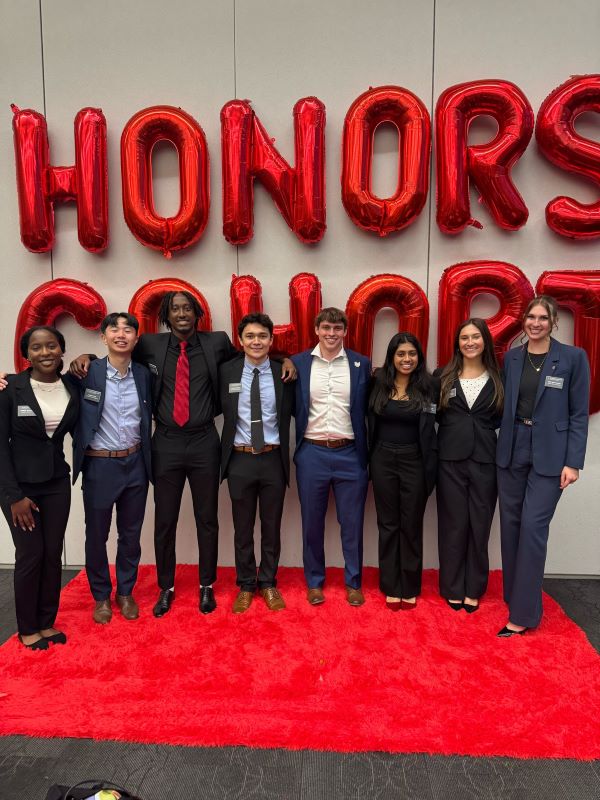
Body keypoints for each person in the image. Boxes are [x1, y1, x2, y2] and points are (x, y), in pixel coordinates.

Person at [70, 291, 296, 617]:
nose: (181, 313)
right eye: (175, 309)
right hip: (166, 442)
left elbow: (251, 355)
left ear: (197, 313)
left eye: (187, 308)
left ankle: (206, 585)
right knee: (165, 520)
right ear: (166, 314)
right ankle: (166, 587)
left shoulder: (217, 342)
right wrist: (88, 357)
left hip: (205, 441)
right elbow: (119, 353)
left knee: (207, 519)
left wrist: (283, 359)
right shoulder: (149, 344)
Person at [496, 295, 590, 637]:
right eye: (531, 317)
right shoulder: (513, 357)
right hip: (512, 448)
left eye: (542, 318)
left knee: (533, 529)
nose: (535, 323)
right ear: (524, 321)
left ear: (553, 322)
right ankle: (515, 597)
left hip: (551, 454)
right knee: (510, 527)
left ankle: (522, 615)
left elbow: (579, 414)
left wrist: (574, 462)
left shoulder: (573, 358)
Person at [69, 313, 153, 624]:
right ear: (103, 338)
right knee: (97, 535)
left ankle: (126, 591)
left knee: (130, 534)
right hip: (99, 465)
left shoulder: (144, 375)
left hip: (135, 465)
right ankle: (101, 596)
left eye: (128, 329)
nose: (121, 334)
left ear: (135, 338)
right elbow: (44, 381)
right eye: (113, 329)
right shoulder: (86, 373)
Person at [0, 327, 79, 649]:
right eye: (36, 348)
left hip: (57, 482)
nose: (44, 352)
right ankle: (27, 627)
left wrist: (87, 358)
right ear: (26, 354)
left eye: (51, 346)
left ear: (61, 349)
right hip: (20, 488)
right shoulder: (10, 388)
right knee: (30, 555)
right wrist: (14, 495)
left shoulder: (72, 385)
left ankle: (46, 622)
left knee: (51, 554)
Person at [291, 307, 371, 607]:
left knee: (352, 523)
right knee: (311, 522)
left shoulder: (360, 364)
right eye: (326, 327)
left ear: (345, 332)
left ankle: (353, 582)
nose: (331, 334)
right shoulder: (299, 363)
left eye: (337, 329)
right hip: (311, 452)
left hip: (350, 453)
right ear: (316, 329)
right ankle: (314, 582)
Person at [219, 313, 294, 613]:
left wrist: (287, 359)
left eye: (262, 336)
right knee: (242, 527)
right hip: (240, 458)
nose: (256, 341)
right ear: (240, 340)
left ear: (271, 340)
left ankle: (268, 582)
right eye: (250, 336)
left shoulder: (284, 372)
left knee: (272, 526)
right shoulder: (226, 371)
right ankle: (246, 584)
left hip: (273, 458)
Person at [435, 318, 503, 613]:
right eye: (465, 338)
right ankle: (452, 586)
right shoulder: (442, 376)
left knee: (479, 526)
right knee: (453, 525)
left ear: (485, 341)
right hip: (449, 461)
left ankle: (473, 588)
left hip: (486, 462)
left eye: (476, 337)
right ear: (457, 343)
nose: (470, 342)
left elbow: (501, 418)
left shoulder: (499, 379)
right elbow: (435, 415)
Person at [368, 332, 438, 610]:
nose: (406, 359)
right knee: (388, 524)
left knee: (411, 524)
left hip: (415, 461)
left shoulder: (431, 386)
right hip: (382, 458)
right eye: (400, 354)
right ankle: (390, 584)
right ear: (392, 358)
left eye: (411, 354)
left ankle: (409, 585)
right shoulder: (377, 383)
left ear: (418, 357)